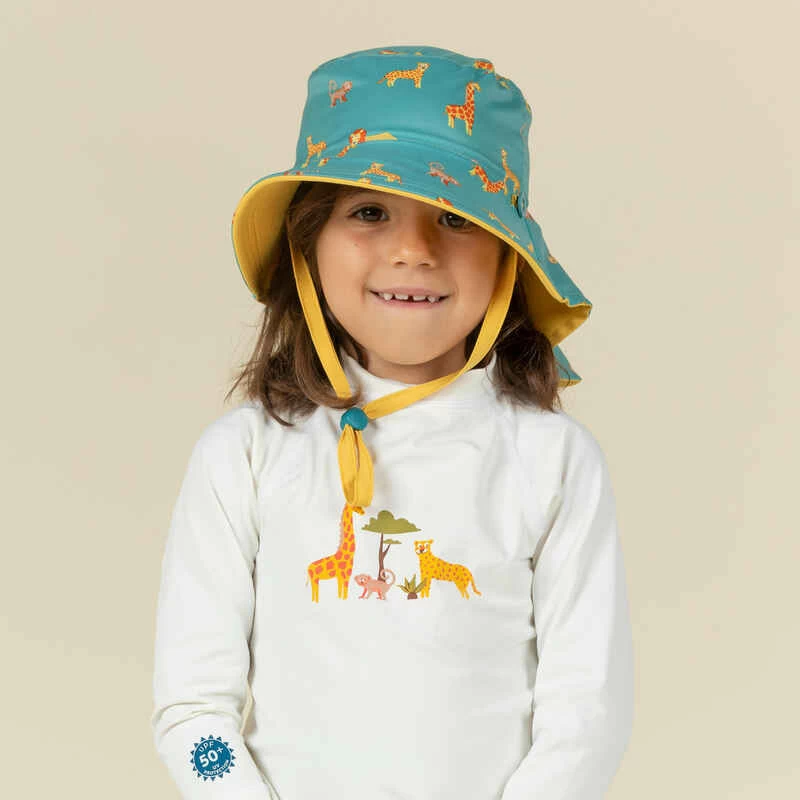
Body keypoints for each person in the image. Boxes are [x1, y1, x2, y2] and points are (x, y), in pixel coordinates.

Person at [150, 44, 635, 800]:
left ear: (509, 258)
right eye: (369, 212)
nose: (413, 250)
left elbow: (586, 715)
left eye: (456, 217)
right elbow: (192, 709)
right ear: (306, 243)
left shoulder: (552, 460)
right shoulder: (243, 455)